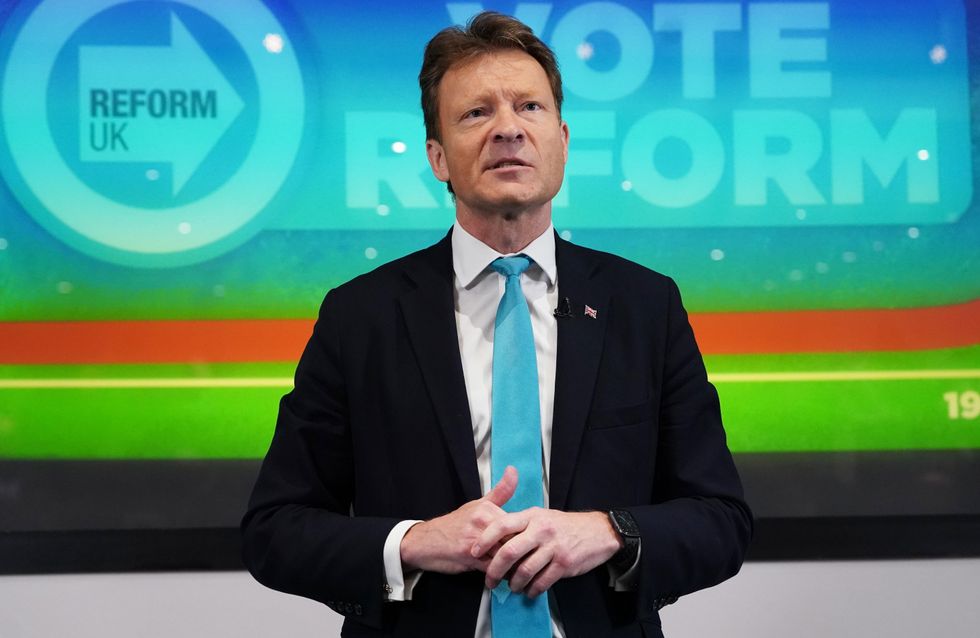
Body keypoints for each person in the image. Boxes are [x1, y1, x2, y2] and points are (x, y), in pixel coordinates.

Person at [242, 11, 751, 638]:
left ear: (562, 139)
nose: (508, 128)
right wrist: (415, 541)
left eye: (529, 107)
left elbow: (721, 519)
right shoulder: (360, 317)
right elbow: (274, 530)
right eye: (476, 113)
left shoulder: (646, 306)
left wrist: (607, 532)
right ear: (437, 157)